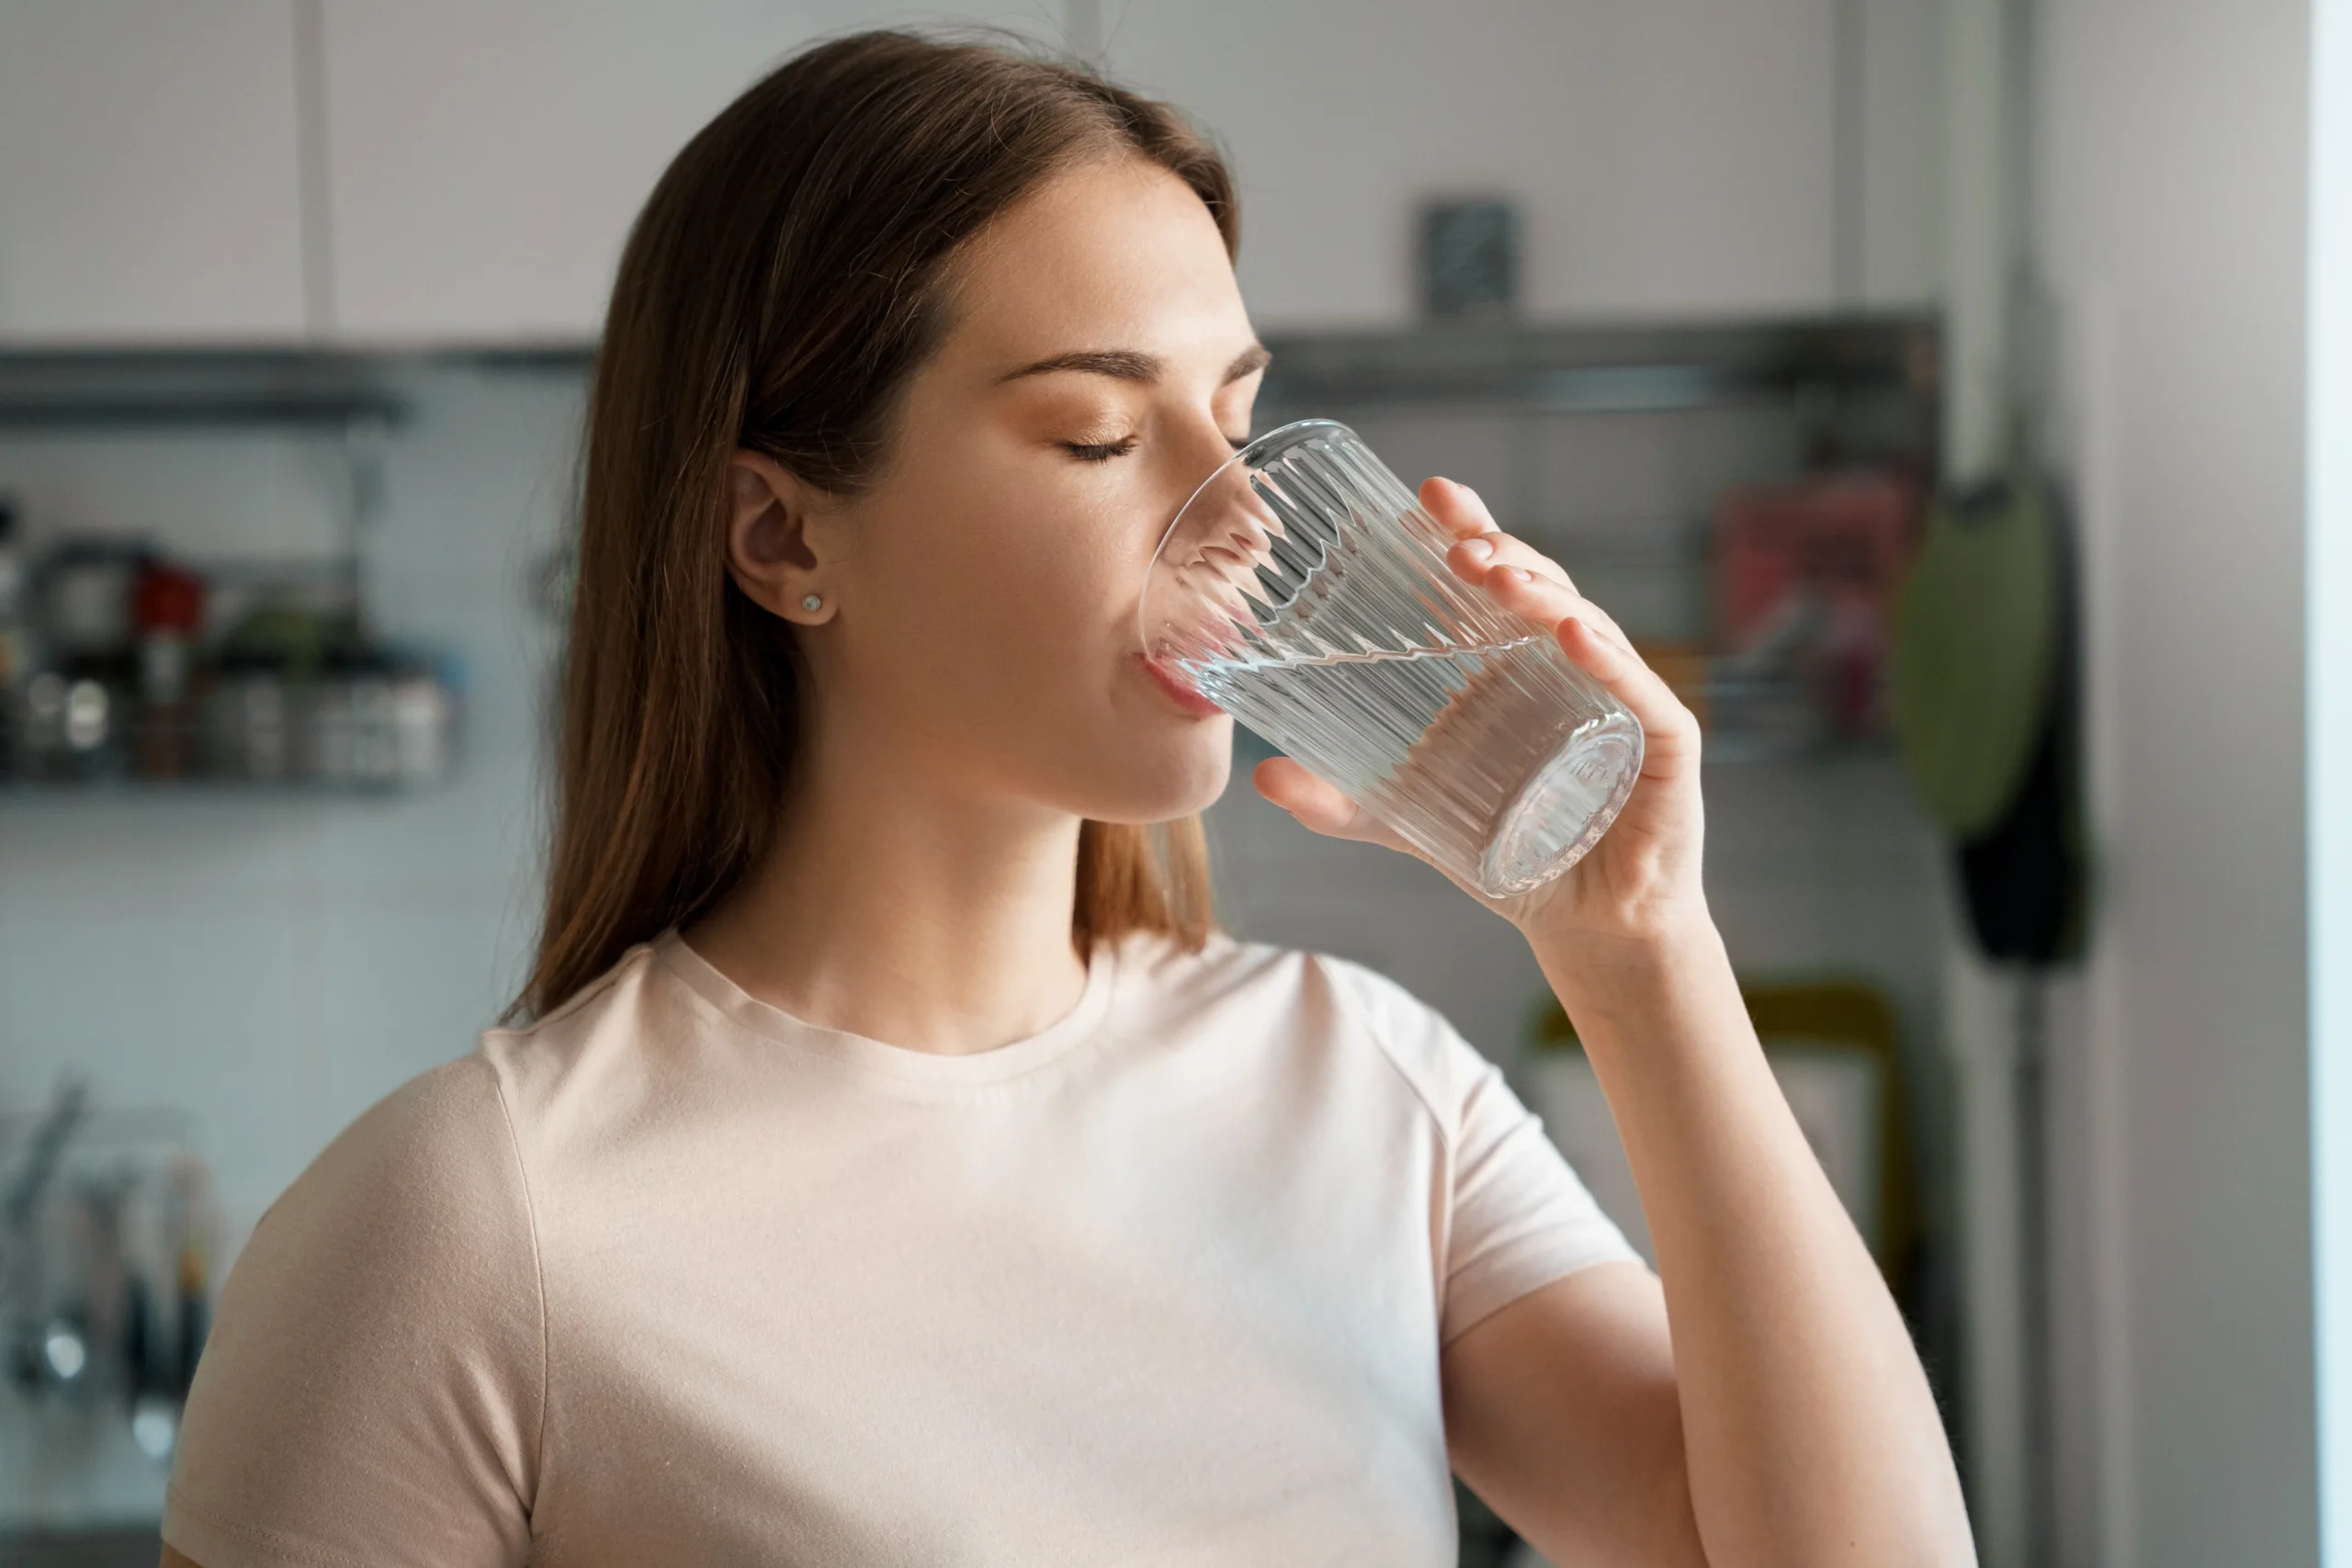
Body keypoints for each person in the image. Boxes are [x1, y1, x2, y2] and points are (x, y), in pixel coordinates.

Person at [158, 28, 1973, 1568]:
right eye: (1099, 433)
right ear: (783, 534)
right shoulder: (473, 1225)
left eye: (1236, 409)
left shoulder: (1364, 1090)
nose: (1240, 512)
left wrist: (1640, 948)